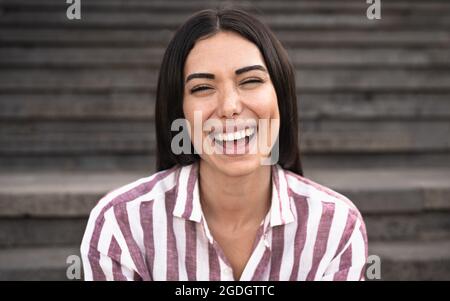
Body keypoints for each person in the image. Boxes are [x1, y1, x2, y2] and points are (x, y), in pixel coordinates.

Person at [80, 8, 368, 281]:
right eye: (202, 88)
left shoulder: (336, 227)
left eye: (251, 81)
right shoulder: (121, 226)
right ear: (178, 111)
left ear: (280, 96)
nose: (229, 107)